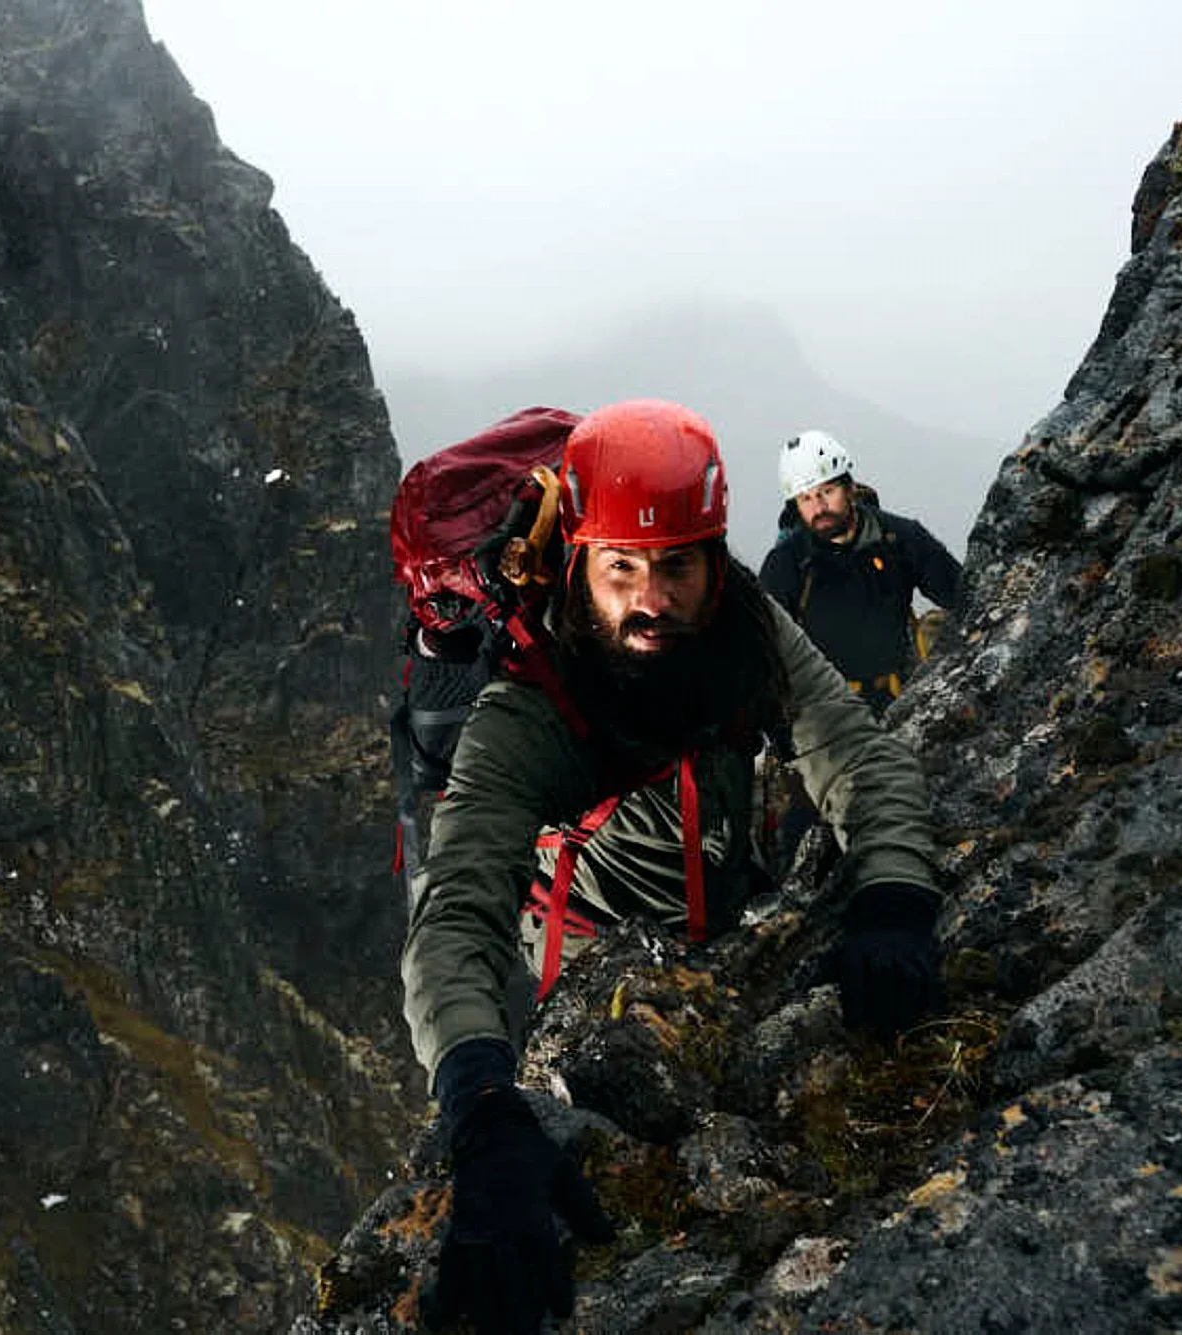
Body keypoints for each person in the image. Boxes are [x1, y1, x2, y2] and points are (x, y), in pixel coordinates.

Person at [401, 399, 946, 1334]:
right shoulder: (529, 702)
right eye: (621, 570)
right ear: (579, 562)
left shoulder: (746, 624)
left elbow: (854, 754)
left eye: (676, 567)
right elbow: (457, 907)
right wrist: (482, 1105)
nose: (651, 600)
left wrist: (894, 894)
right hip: (583, 970)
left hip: (721, 918)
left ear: (713, 558)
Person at [758, 429, 964, 716]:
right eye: (806, 499)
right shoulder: (787, 564)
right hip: (826, 713)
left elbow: (963, 595)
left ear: (850, 487)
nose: (818, 507)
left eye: (827, 492)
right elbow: (762, 648)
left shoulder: (899, 538)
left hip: (901, 697)